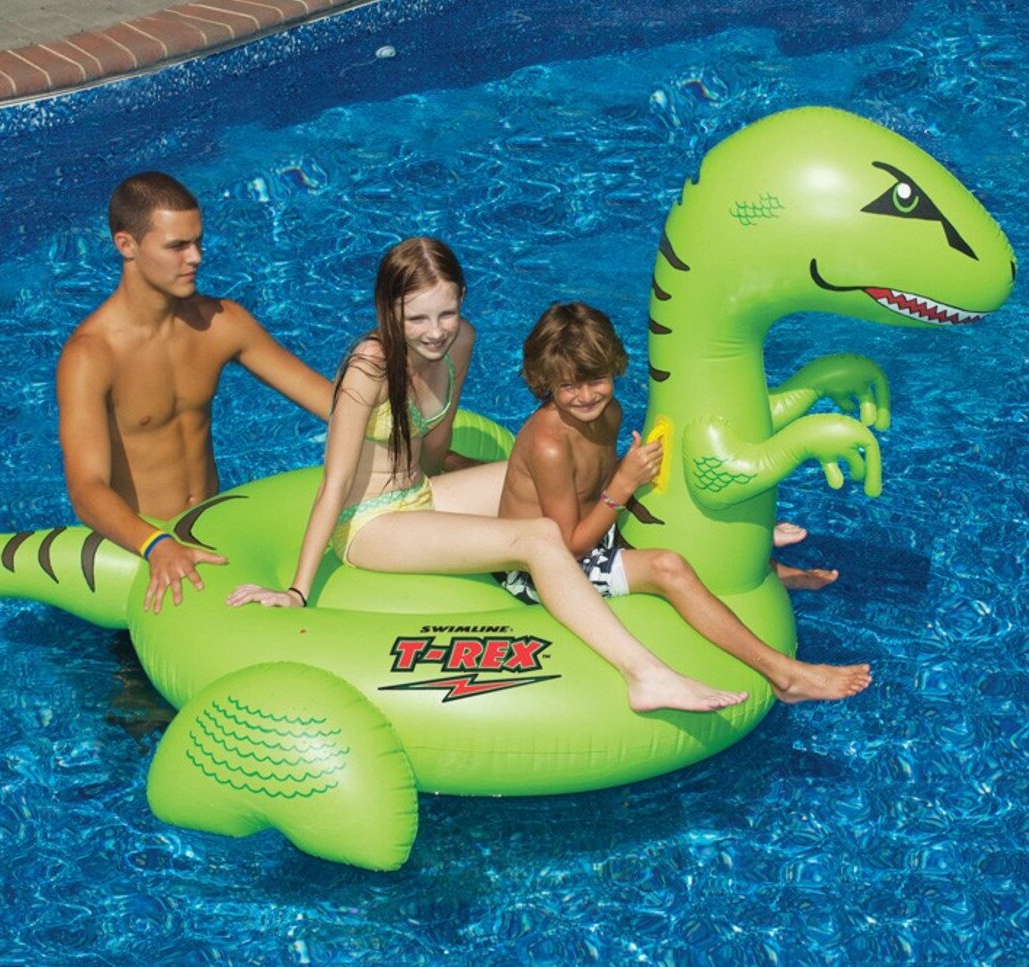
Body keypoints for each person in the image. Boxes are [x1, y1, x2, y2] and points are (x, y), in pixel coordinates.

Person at [227, 237, 750, 714]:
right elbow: (336, 482)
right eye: (416, 318)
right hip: (370, 524)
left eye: (447, 313)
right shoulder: (368, 368)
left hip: (422, 493)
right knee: (539, 535)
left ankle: (729, 534)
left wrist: (477, 475)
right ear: (389, 310)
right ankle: (645, 674)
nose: (435, 331)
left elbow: (434, 447)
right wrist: (297, 590)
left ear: (462, 299)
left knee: (546, 473)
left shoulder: (459, 342)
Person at [494, 301, 871, 703]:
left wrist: (626, 476)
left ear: (613, 367)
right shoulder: (549, 445)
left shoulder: (609, 412)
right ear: (545, 380)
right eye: (569, 386)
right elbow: (568, 547)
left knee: (682, 523)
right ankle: (786, 677)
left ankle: (773, 569)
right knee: (668, 566)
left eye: (596, 380)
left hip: (587, 528)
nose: (586, 396)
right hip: (539, 569)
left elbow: (591, 484)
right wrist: (624, 482)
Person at [56, 171, 333, 613]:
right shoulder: (92, 355)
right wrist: (156, 544)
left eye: (198, 242)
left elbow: (333, 404)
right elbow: (86, 489)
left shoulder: (220, 323)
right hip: (141, 553)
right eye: (177, 246)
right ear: (126, 245)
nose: (196, 257)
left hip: (213, 535)